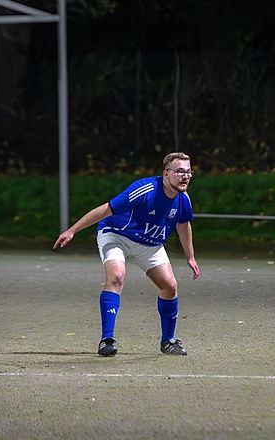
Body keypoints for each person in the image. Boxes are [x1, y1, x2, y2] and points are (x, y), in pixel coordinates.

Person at [53, 152, 200, 357]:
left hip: (149, 243)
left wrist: (190, 257)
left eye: (188, 172)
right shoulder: (145, 190)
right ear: (166, 173)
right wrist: (72, 230)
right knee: (117, 276)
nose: (185, 176)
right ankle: (107, 340)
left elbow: (183, 225)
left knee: (170, 286)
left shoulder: (183, 199)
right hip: (117, 235)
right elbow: (106, 209)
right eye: (179, 171)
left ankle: (168, 341)